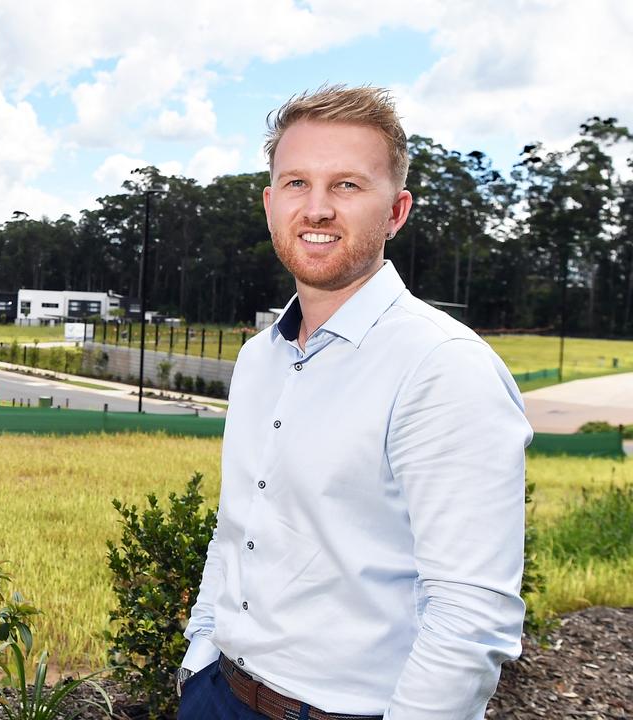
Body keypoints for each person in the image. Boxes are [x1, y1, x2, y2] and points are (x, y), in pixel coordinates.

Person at [177, 85, 532, 720]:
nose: (316, 209)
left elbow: (471, 611)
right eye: (295, 183)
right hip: (218, 693)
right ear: (268, 203)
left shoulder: (443, 367)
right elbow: (238, 529)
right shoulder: (260, 359)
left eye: (346, 185)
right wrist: (199, 653)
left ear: (396, 211)